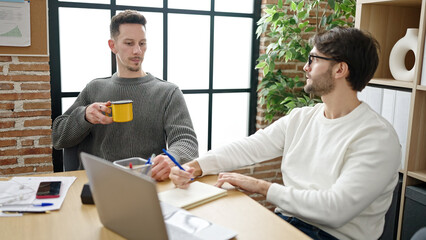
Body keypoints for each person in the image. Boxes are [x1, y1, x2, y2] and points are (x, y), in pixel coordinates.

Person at [169, 27, 401, 240]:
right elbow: (250, 147)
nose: (305, 67)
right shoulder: (301, 118)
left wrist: (261, 186)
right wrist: (195, 166)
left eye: (313, 59)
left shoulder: (377, 137)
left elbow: (334, 210)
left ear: (340, 69)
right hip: (286, 223)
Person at [52, 10, 198, 181]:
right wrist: (84, 115)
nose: (137, 51)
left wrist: (172, 159)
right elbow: (57, 137)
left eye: (142, 43)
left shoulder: (168, 92)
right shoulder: (94, 88)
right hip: (100, 183)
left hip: (149, 182)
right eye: (129, 43)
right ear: (112, 45)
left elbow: (187, 142)